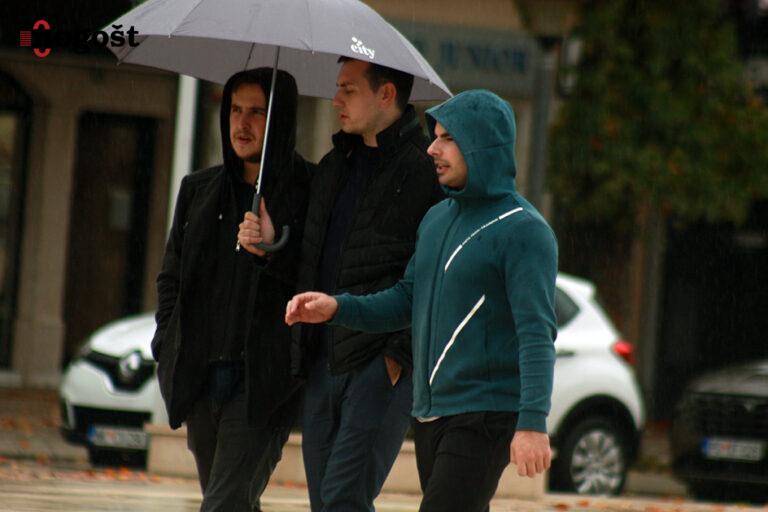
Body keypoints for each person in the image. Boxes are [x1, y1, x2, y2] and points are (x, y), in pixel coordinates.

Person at [285, 89, 558, 512]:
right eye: (435, 136)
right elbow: (405, 300)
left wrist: (533, 423)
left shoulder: (524, 230)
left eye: (448, 138)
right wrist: (337, 307)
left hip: (485, 413)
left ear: (482, 144)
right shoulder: (436, 219)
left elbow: (537, 334)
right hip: (432, 412)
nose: (432, 148)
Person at [241, 56, 442, 512]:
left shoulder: (422, 173)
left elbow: (433, 277)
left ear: (386, 94)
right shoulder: (333, 166)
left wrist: (396, 359)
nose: (335, 100)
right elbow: (312, 257)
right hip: (321, 360)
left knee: (343, 500)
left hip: (378, 363)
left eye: (348, 89)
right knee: (326, 502)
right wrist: (270, 245)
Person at [151, 68, 312, 511]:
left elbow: (314, 278)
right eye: (235, 110)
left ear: (280, 118)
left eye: (257, 112)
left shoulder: (309, 190)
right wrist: (167, 342)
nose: (242, 123)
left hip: (263, 384)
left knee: (222, 505)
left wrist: (272, 249)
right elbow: (171, 277)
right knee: (231, 502)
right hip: (201, 380)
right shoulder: (198, 190)